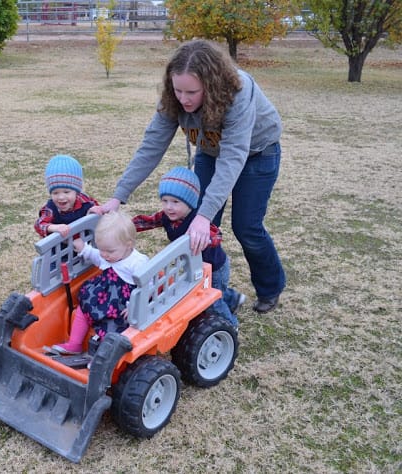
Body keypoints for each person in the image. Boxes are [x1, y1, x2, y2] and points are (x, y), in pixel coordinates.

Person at [93, 39, 286, 313]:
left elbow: (233, 156)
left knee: (246, 227)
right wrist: (118, 197)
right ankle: (206, 290)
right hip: (210, 151)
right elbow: (152, 145)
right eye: (178, 90)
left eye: (192, 92)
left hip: (257, 153)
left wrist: (205, 215)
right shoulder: (175, 99)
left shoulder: (238, 92)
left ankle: (270, 288)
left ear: (212, 84)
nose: (183, 98)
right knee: (193, 228)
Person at [133, 166, 244, 328]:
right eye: (165, 201)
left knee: (211, 299)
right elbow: (148, 221)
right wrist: (127, 226)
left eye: (175, 202)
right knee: (208, 290)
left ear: (190, 202)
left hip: (214, 268)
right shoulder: (166, 217)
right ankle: (234, 298)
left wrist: (206, 239)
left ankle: (230, 325)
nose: (169, 207)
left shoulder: (198, 220)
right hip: (194, 266)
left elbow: (215, 235)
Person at [51, 211, 149, 355]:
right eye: (101, 249)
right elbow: (96, 256)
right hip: (102, 293)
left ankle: (103, 356)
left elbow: (147, 286)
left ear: (128, 245)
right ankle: (74, 344)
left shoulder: (138, 262)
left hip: (121, 302)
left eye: (109, 251)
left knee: (114, 325)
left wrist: (134, 305)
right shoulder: (108, 254)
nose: (104, 255)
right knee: (84, 306)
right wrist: (84, 248)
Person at [34, 154, 99, 238]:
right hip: (59, 248)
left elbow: (99, 211)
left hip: (85, 245)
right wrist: (54, 227)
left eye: (66, 192)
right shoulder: (50, 208)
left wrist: (95, 210)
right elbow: (39, 224)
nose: (61, 197)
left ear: (77, 192)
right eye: (55, 193)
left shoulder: (85, 202)